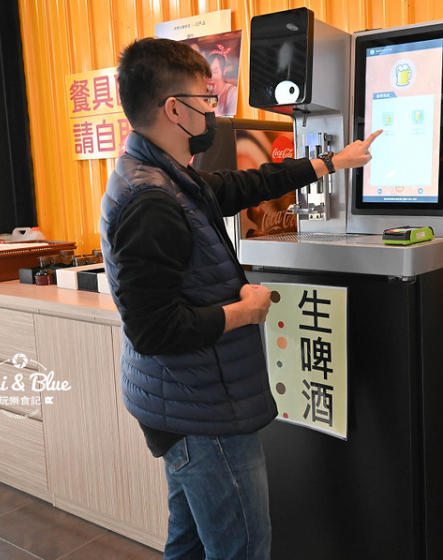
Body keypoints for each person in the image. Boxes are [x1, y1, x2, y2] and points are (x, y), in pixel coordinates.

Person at [100, 37, 380, 560]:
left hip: (184, 402)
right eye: (206, 101)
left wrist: (331, 163)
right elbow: (153, 329)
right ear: (174, 110)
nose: (214, 111)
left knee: (187, 543)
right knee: (242, 549)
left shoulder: (168, 176)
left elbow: (242, 185)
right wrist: (244, 312)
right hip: (202, 411)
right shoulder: (151, 201)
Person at [208, 52, 239, 117]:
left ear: (224, 71)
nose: (211, 76)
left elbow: (231, 121)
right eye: (208, 72)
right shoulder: (210, 92)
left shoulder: (232, 92)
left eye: (215, 71)